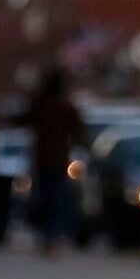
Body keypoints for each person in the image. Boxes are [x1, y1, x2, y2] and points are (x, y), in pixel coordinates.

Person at [23, 66, 87, 255]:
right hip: (56, 160)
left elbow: (26, 119)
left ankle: (47, 236)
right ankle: (50, 236)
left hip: (45, 159)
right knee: (54, 198)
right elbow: (79, 131)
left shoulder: (43, 104)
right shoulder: (63, 106)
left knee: (45, 196)